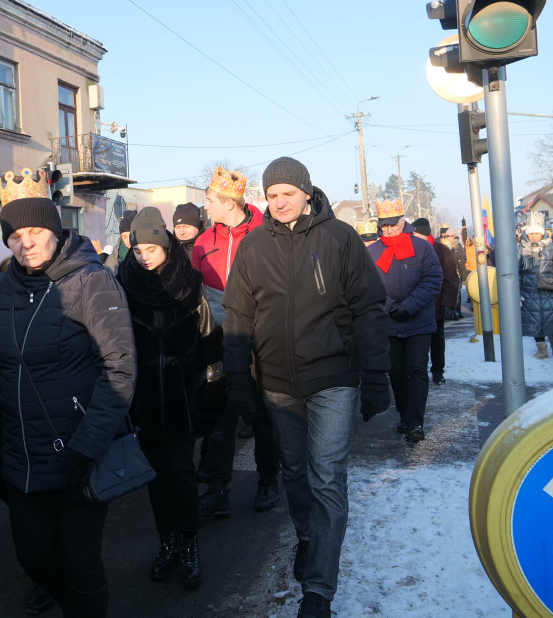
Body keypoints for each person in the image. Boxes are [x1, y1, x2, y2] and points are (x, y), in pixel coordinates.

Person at [221, 157, 390, 618]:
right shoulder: (254, 247)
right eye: (271, 195)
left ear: (306, 192)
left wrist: (376, 375)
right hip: (276, 382)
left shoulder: (340, 238)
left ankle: (318, 591)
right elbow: (238, 317)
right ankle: (307, 537)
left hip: (333, 378)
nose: (279, 202)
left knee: (327, 478)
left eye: (287, 194)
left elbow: (370, 308)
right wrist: (238, 378)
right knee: (294, 473)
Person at [0, 168, 136, 618]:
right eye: (15, 236)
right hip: (24, 450)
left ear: (54, 229)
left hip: (78, 451)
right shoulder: (3, 285)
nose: (25, 243)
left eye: (35, 231)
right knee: (33, 557)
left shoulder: (92, 281)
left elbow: (122, 368)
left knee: (80, 562)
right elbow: (3, 357)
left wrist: (88, 445)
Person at [116, 207, 223, 590]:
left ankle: (190, 542)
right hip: (143, 398)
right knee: (155, 479)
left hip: (182, 398)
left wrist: (211, 388)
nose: (144, 256)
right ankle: (168, 542)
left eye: (152, 248)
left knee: (180, 475)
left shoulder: (190, 283)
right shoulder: (123, 283)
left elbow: (210, 339)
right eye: (139, 249)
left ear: (166, 245)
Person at [192, 167, 281, 518]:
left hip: (261, 340)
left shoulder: (265, 233)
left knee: (262, 414)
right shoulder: (202, 241)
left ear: (229, 203)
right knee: (221, 417)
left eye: (210, 201)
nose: (206, 207)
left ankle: (268, 481)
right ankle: (218, 490)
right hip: (219, 340)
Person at [368, 200, 442, 444]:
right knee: (396, 373)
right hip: (389, 323)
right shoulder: (372, 251)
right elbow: (367, 284)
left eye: (392, 225)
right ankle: (404, 415)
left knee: (417, 370)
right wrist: (390, 306)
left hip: (418, 322)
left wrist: (408, 307)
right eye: (383, 226)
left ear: (403, 222)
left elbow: (433, 279)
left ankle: (416, 421)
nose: (388, 230)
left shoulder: (422, 248)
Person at [414, 218, 460, 384]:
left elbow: (452, 279)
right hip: (415, 306)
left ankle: (438, 371)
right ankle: (420, 372)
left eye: (418, 234)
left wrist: (449, 303)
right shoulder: (411, 248)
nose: (416, 238)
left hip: (435, 307)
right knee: (418, 343)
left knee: (437, 341)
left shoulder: (441, 251)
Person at [518, 216, 553, 359]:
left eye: (537, 233)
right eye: (531, 233)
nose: (534, 236)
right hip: (529, 291)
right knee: (535, 321)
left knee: (551, 319)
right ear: (527, 234)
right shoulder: (521, 249)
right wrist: (517, 292)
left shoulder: (552, 247)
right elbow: (517, 271)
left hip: (549, 290)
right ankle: (542, 350)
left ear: (542, 233)